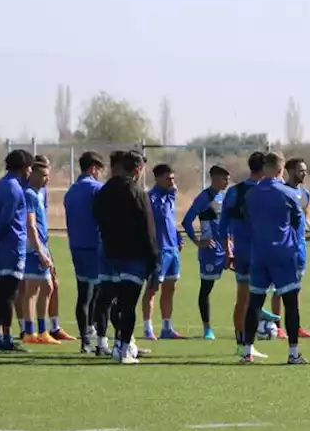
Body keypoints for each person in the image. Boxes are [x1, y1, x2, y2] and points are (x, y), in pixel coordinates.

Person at [242, 152, 309, 365]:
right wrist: (297, 251)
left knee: (254, 303)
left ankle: (246, 351)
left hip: (259, 253)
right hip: (283, 254)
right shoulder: (288, 193)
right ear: (281, 171)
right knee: (291, 304)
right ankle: (293, 353)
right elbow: (299, 224)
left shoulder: (251, 194)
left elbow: (248, 221)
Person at [93, 150, 159, 364]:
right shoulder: (137, 192)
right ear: (138, 169)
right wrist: (154, 260)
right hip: (133, 257)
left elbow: (99, 220)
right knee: (128, 305)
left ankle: (118, 346)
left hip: (109, 254)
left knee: (115, 303)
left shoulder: (104, 191)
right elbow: (147, 228)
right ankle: (123, 350)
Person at [219, 152, 277, 359]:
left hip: (241, 253)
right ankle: (249, 344)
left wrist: (228, 251)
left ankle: (241, 342)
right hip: (261, 253)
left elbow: (222, 225)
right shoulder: (266, 191)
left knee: (242, 299)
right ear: (265, 169)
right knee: (256, 300)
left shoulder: (234, 192)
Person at [0, 149, 33, 352]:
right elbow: (5, 219)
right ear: (23, 168)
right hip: (12, 247)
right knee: (9, 294)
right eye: (29, 167)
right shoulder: (15, 189)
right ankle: (5, 339)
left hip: (0, 248)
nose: (30, 172)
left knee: (1, 292)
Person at [268, 158, 310, 339]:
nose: (303, 174)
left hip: (300, 248)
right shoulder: (281, 192)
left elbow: (303, 217)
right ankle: (277, 326)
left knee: (296, 288)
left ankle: (295, 326)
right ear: (288, 171)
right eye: (300, 170)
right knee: (279, 289)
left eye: (305, 170)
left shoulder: (305, 194)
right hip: (283, 248)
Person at [65, 150, 108, 354]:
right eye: (99, 170)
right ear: (93, 168)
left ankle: (84, 340)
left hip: (76, 245)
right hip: (95, 246)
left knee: (83, 294)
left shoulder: (71, 191)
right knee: (100, 296)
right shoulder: (97, 189)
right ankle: (101, 341)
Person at [182, 164, 231, 340]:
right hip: (210, 252)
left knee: (247, 281)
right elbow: (187, 221)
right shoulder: (204, 197)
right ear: (215, 178)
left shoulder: (226, 196)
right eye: (225, 178)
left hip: (227, 249)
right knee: (206, 290)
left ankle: (260, 316)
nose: (228, 182)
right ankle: (207, 329)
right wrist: (197, 241)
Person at [141, 163, 185, 340]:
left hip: (172, 249)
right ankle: (147, 328)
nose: (172, 182)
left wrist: (178, 238)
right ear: (157, 178)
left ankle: (167, 327)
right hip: (159, 250)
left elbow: (170, 220)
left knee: (170, 288)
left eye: (173, 178)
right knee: (152, 289)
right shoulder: (150, 198)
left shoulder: (171, 196)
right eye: (168, 178)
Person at [19, 155, 59, 344]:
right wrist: (40, 251)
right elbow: (30, 225)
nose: (46, 179)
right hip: (33, 248)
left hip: (41, 245)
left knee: (44, 287)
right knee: (35, 289)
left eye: (47, 175)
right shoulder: (29, 194)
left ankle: (38, 331)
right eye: (43, 175)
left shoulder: (38, 193)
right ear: (32, 173)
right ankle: (33, 332)